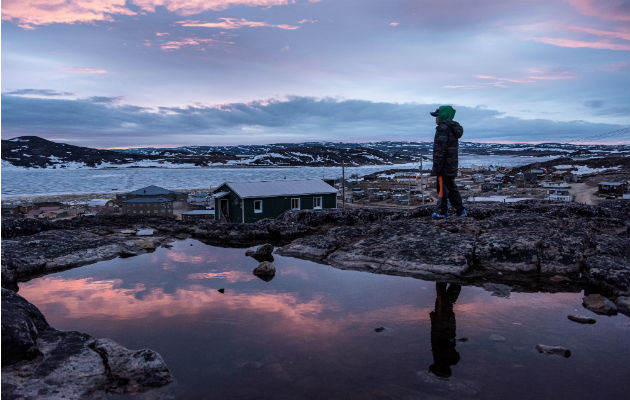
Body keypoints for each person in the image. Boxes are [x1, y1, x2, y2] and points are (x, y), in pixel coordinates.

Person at [430, 105, 466, 218]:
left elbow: (440, 150)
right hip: (451, 164)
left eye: (437, 116)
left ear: (443, 116)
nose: (435, 118)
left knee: (442, 189)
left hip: (444, 165)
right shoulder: (452, 128)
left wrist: (437, 166)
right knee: (451, 187)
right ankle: (460, 211)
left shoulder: (443, 128)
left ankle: (442, 211)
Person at [429, 282, 462, 378]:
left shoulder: (440, 357)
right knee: (443, 303)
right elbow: (446, 345)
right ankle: (450, 283)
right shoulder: (440, 357)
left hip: (443, 327)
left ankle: (451, 283)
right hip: (443, 326)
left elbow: (454, 354)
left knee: (444, 303)